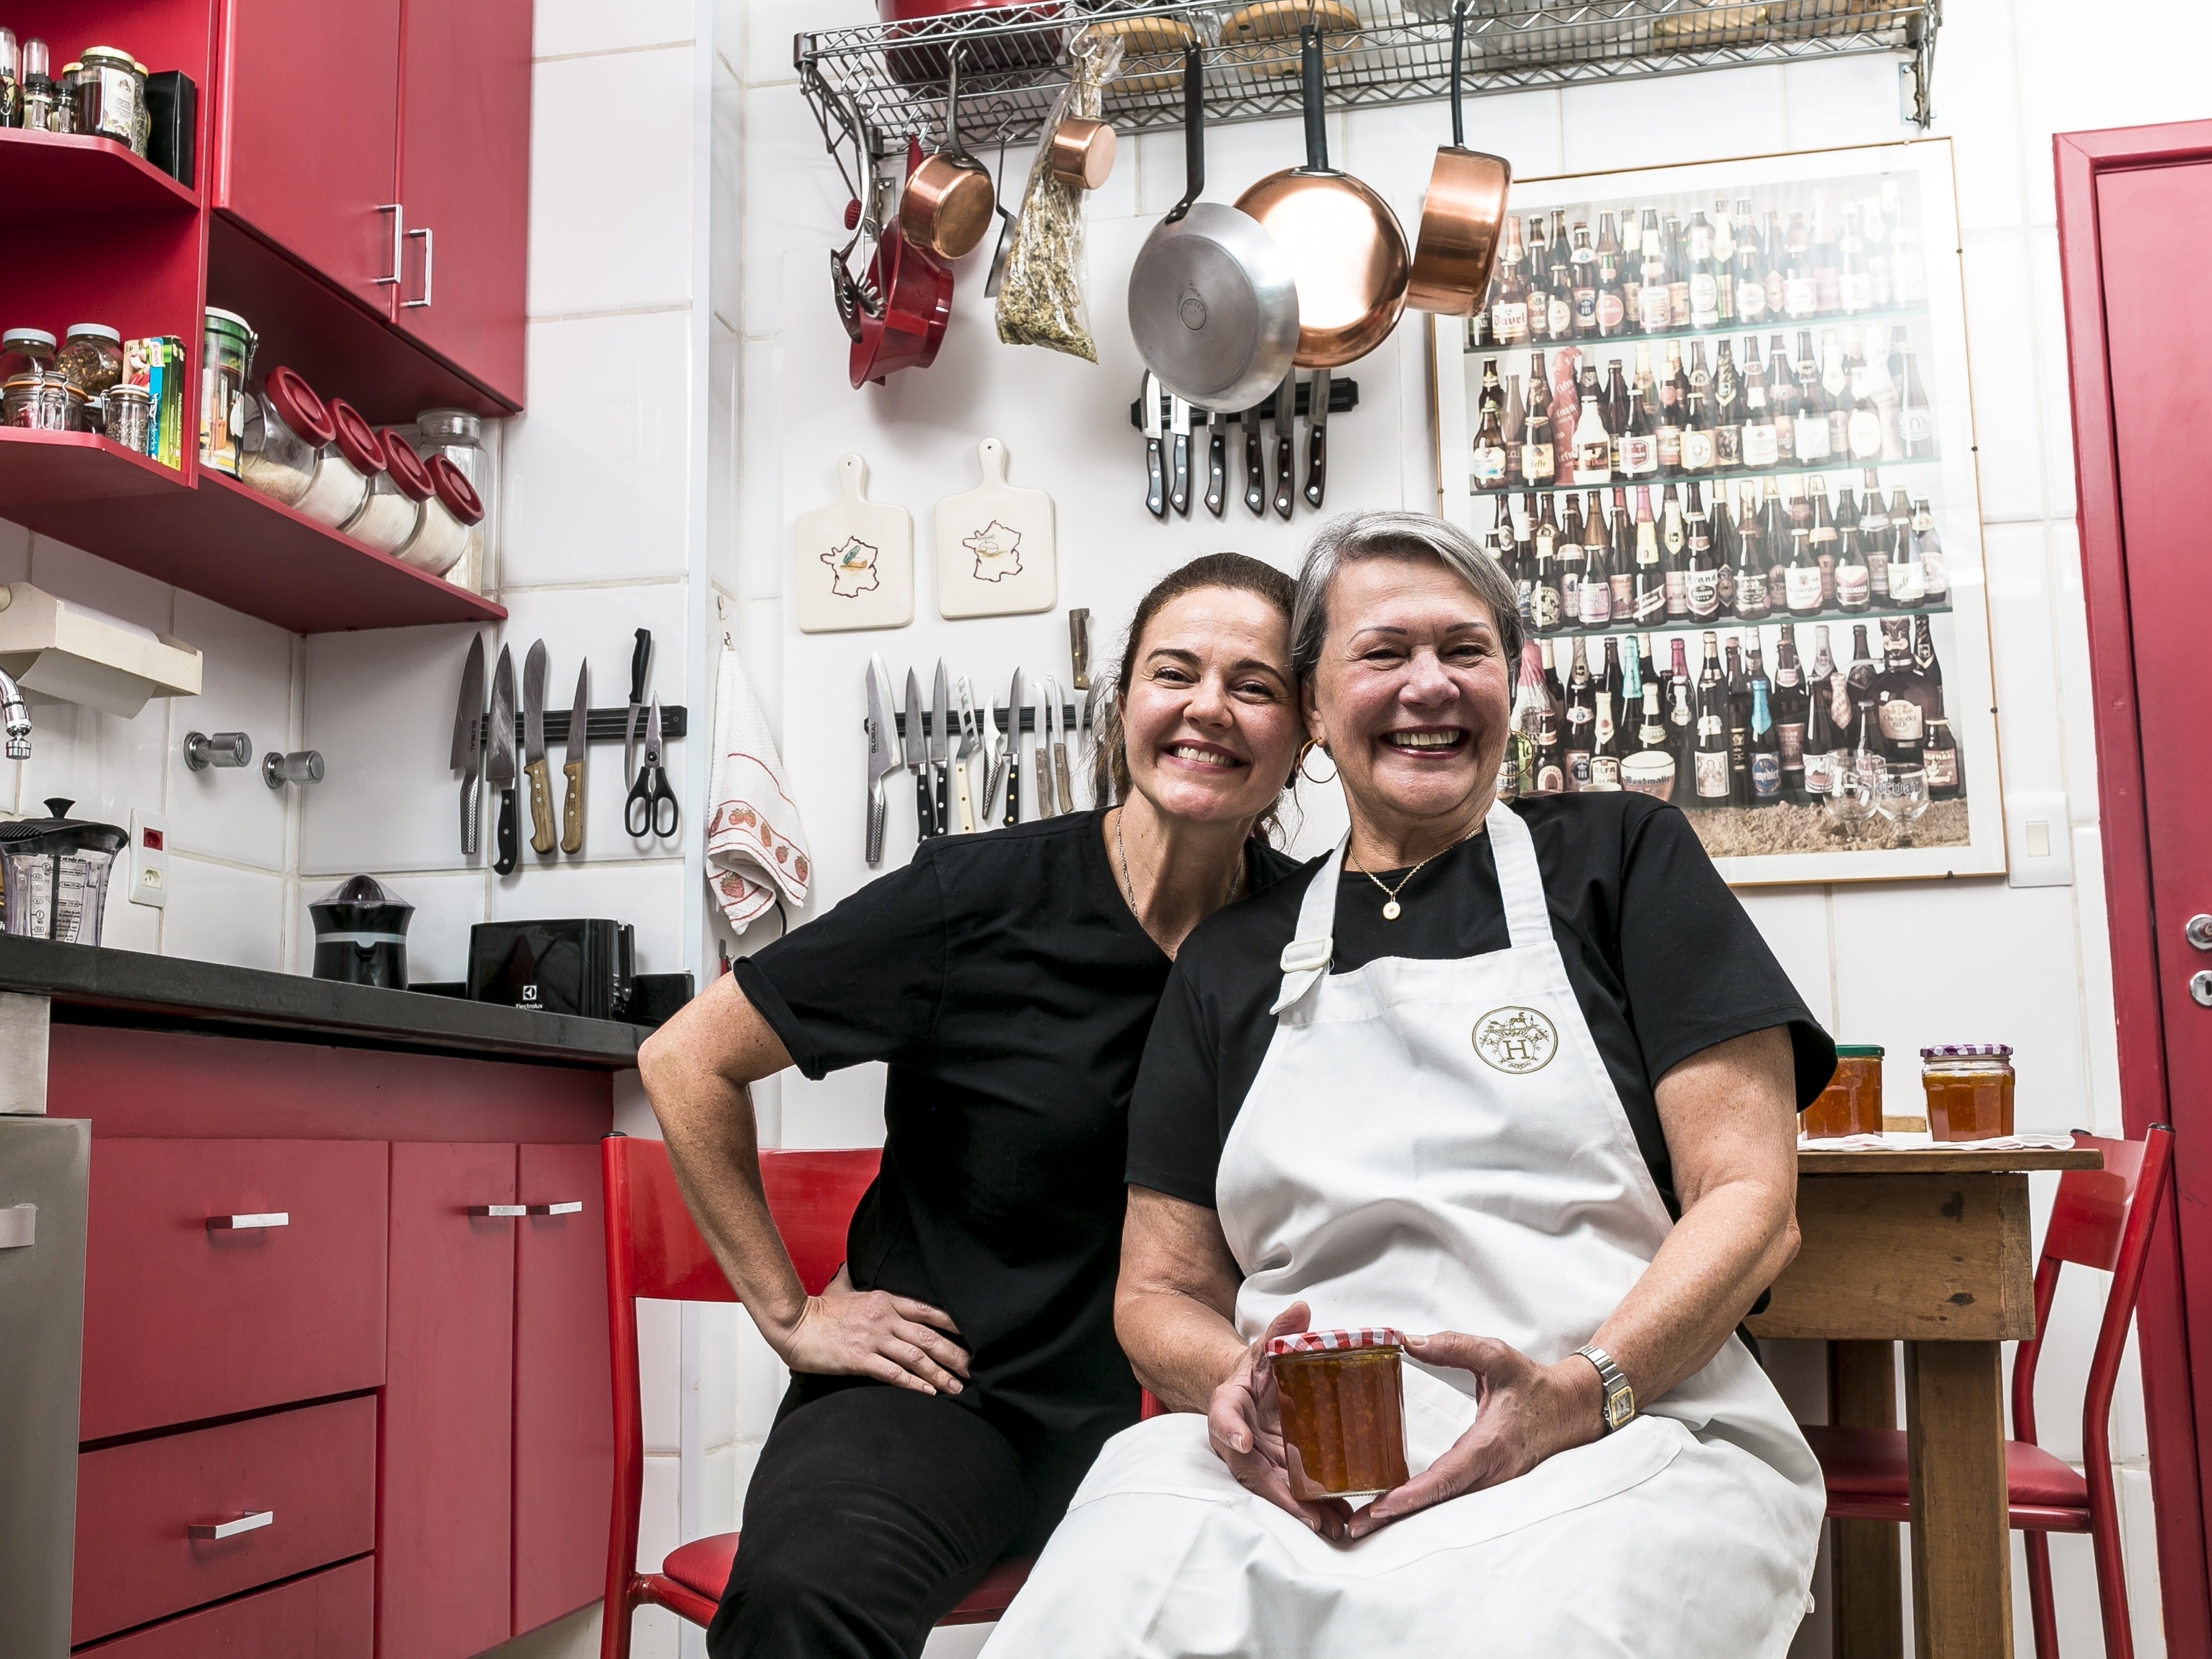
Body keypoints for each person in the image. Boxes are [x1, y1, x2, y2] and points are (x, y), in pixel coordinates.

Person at [980, 513, 1836, 1658]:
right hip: (1303, 1461)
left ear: (1512, 682)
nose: (1429, 686)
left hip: (1619, 1428)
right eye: (1383, 654)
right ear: (1316, 710)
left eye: (1466, 650)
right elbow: (1158, 1290)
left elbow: (1751, 1201)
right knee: (1096, 1615)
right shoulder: (1235, 959)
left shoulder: (1622, 859)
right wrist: (1234, 1388)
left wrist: (1579, 1396)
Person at [637, 553, 1310, 1659]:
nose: (1207, 708)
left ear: (1306, 732)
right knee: (808, 1600)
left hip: (1203, 1416)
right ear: (1123, 706)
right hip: (950, 1403)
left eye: (1255, 685)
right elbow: (687, 1059)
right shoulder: (976, 897)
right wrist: (793, 1315)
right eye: (1174, 672)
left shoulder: (1317, 936)